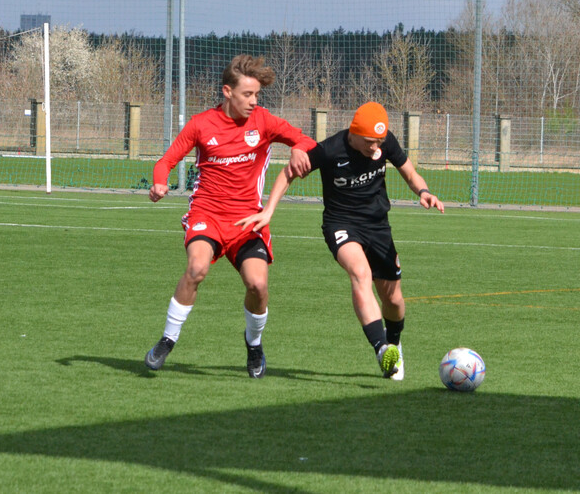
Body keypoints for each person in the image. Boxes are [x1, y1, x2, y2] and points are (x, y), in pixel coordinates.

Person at [236, 101, 443, 380]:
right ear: (354, 133)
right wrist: (268, 210)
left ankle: (394, 343)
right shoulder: (329, 150)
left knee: (393, 299)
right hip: (340, 225)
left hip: (378, 226)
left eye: (379, 141)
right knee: (360, 273)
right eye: (370, 142)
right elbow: (288, 173)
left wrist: (424, 191)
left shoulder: (385, 142)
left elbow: (409, 171)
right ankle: (381, 348)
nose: (375, 147)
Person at [144, 54, 313, 378]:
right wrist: (159, 183)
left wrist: (297, 147)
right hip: (207, 213)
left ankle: (254, 344)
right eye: (247, 94)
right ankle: (167, 339)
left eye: (256, 95)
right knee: (196, 268)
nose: (253, 101)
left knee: (258, 285)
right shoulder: (201, 125)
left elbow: (304, 139)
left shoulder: (263, 121)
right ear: (227, 92)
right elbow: (165, 161)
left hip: (248, 220)